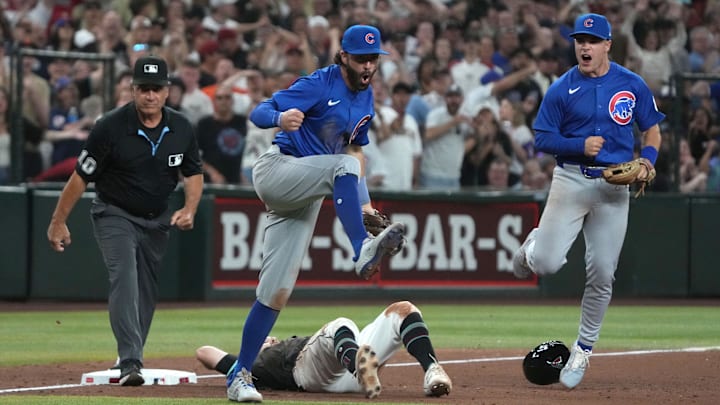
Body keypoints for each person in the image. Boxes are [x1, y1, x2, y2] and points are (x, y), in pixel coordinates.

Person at [227, 25, 406, 403]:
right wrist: (281, 118)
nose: (368, 65)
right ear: (343, 56)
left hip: (304, 193)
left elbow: (356, 154)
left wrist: (366, 207)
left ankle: (239, 374)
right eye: (360, 58)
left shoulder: (367, 98)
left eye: (373, 58)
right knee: (342, 165)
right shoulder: (319, 84)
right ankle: (361, 249)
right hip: (278, 170)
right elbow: (259, 111)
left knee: (275, 292)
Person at [511, 13, 665, 390]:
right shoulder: (562, 88)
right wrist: (578, 145)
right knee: (546, 263)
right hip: (571, 178)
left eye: (593, 41)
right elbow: (542, 137)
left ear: (608, 45)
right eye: (580, 40)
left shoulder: (631, 84)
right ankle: (534, 245)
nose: (585, 46)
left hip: (614, 188)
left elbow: (652, 130)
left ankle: (583, 350)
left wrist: (647, 159)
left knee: (602, 273)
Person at [46, 55, 204, 387]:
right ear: (132, 90)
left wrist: (190, 208)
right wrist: (58, 220)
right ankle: (131, 360)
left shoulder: (181, 127)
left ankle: (130, 354)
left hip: (157, 217)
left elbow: (192, 173)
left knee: (146, 288)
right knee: (126, 277)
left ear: (167, 92)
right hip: (114, 212)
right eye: (144, 88)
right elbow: (80, 177)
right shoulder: (109, 126)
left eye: (156, 89)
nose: (150, 95)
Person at [196, 301, 452, 399]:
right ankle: (360, 368)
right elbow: (204, 352)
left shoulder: (265, 356)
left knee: (402, 310)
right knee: (340, 325)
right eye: (264, 339)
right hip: (307, 371)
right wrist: (245, 357)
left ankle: (433, 370)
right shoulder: (251, 368)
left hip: (344, 363)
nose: (269, 338)